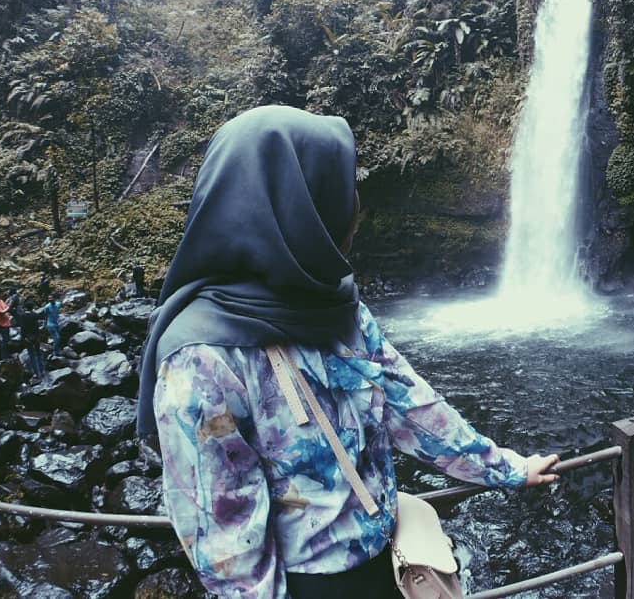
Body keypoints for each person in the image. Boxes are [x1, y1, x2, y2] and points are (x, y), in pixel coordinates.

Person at [136, 106, 559, 599]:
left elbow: (408, 403)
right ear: (293, 205)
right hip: (309, 586)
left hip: (385, 564)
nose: (355, 204)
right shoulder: (200, 359)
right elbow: (226, 542)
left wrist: (505, 468)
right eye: (338, 188)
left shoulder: (335, 305)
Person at [19, 298, 46, 379]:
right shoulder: (34, 315)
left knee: (32, 356)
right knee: (38, 353)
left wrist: (23, 337)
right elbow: (36, 326)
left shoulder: (23, 315)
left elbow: (23, 327)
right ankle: (42, 370)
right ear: (32, 307)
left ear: (26, 307)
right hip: (35, 336)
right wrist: (38, 336)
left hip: (28, 337)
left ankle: (36, 373)